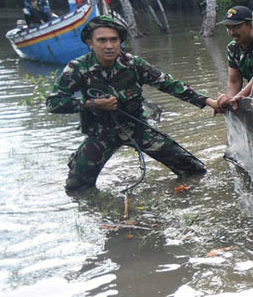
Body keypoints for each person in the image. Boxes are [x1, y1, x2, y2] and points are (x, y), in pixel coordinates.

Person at [46, 16, 221, 193]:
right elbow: (53, 103)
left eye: (114, 40)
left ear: (120, 41)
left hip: (136, 128)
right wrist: (92, 104)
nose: (109, 46)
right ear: (89, 43)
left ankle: (188, 194)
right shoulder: (77, 68)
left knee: (193, 169)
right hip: (100, 134)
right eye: (102, 40)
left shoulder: (133, 64)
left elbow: (168, 84)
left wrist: (208, 102)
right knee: (76, 188)